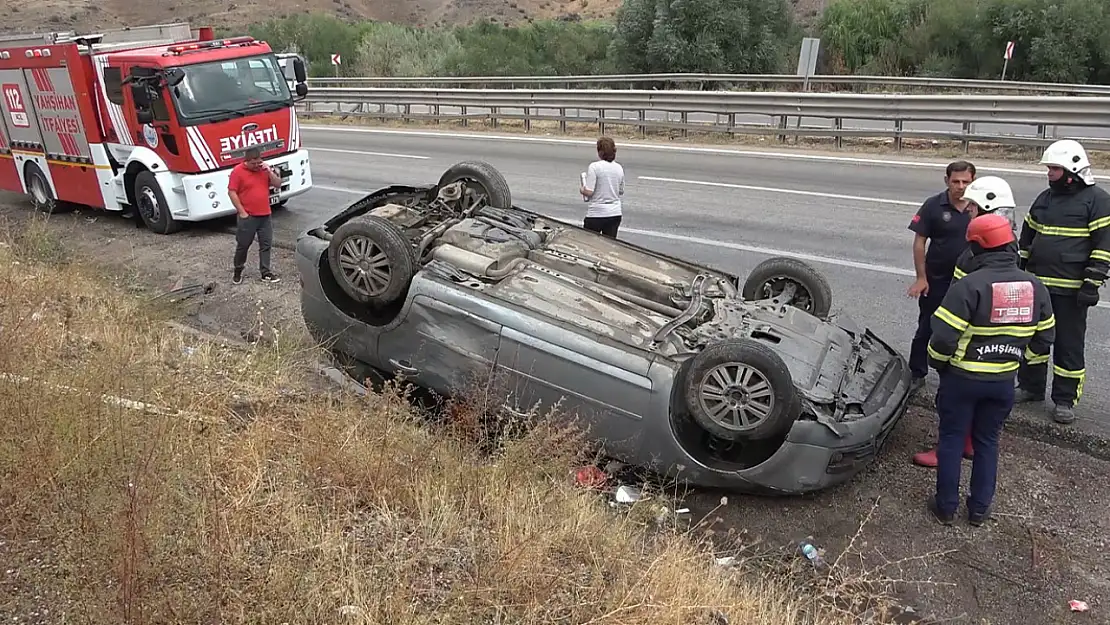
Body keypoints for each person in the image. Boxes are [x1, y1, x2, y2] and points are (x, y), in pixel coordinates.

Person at [925, 213, 1055, 526]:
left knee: (953, 440)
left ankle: (945, 508)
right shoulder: (1034, 285)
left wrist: (939, 365)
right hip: (1002, 382)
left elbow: (942, 337)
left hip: (962, 379)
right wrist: (1017, 361)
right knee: (987, 443)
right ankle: (979, 510)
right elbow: (1045, 337)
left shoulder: (970, 285)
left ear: (977, 248)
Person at [911, 174, 1019, 468]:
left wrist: (943, 345)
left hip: (969, 338)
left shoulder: (977, 253)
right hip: (996, 342)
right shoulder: (1008, 243)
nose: (967, 209)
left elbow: (964, 301)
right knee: (983, 408)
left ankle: (949, 448)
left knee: (954, 399)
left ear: (987, 206)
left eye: (972, 205)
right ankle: (970, 444)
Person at [1015, 139, 1110, 424]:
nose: (1049, 174)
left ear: (1072, 170)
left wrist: (1091, 283)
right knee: (1033, 339)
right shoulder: (1045, 198)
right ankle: (1031, 387)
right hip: (1038, 287)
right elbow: (1027, 236)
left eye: (1054, 169)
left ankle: (1065, 400)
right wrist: (1019, 270)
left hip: (1071, 291)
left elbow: (1104, 245)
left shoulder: (1098, 200)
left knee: (1068, 345)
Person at [906, 161, 977, 394]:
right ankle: (916, 373)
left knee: (965, 331)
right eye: (956, 181)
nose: (961, 186)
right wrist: (921, 277)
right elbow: (919, 242)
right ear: (946, 180)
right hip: (937, 280)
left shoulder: (980, 206)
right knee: (927, 327)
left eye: (966, 182)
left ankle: (955, 376)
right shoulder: (933, 206)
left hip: (969, 284)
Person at [229, 146, 281, 284]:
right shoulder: (238, 172)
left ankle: (266, 272)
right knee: (243, 245)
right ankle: (238, 270)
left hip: (265, 215)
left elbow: (278, 184)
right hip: (248, 217)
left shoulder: (264, 170)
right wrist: (242, 212)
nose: (256, 166)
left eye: (259, 162)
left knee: (266, 244)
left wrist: (269, 171)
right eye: (253, 164)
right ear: (246, 161)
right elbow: (232, 192)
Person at [579, 136, 625, 238]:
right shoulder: (619, 167)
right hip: (615, 213)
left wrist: (582, 189)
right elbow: (621, 191)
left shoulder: (594, 167)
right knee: (609, 244)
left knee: (589, 243)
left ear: (599, 152)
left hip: (597, 213)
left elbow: (589, 191)